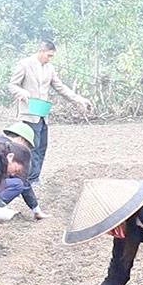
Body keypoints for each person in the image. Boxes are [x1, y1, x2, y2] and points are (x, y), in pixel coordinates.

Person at [7, 39, 93, 186]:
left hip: (42, 113)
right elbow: (12, 85)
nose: (49, 59)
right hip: (29, 112)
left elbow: (61, 88)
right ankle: (29, 179)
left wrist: (79, 99)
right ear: (41, 51)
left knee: (42, 146)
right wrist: (23, 93)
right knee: (31, 146)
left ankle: (36, 178)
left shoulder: (49, 68)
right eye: (48, 55)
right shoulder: (25, 65)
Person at [0, 121, 48, 221]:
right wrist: (36, 210)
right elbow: (22, 181)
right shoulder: (8, 150)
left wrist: (35, 208)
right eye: (26, 146)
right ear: (21, 140)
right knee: (17, 184)